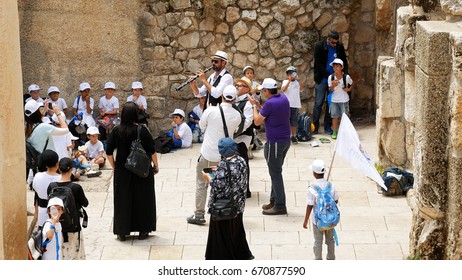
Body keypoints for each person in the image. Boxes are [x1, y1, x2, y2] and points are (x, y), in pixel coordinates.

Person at [187, 85, 242, 225]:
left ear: (222, 96)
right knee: (221, 185)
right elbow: (234, 131)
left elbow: (202, 127)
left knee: (201, 183)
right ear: (234, 98)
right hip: (223, 158)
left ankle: (199, 214)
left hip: (207, 154)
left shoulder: (211, 110)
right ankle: (220, 211)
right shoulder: (237, 116)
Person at [106, 102, 159, 241]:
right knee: (143, 199)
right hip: (141, 171)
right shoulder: (142, 130)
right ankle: (143, 230)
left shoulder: (116, 130)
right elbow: (152, 151)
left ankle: (122, 232)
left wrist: (115, 167)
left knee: (122, 200)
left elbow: (109, 152)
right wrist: (156, 166)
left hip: (123, 171)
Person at [204, 137, 253, 260]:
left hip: (223, 206)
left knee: (221, 233)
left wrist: (208, 178)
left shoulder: (223, 165)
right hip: (238, 204)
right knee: (236, 230)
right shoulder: (241, 161)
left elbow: (217, 186)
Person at [249, 78, 291, 215]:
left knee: (275, 174)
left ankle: (280, 205)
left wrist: (254, 106)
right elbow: (271, 114)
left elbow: (257, 121)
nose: (261, 92)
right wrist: (260, 106)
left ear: (267, 91)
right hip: (285, 141)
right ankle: (274, 200)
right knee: (276, 171)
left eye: (262, 90)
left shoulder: (270, 103)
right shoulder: (283, 99)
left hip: (275, 143)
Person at [48, 157, 89, 260]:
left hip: (56, 226)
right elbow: (85, 203)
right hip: (73, 227)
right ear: (71, 169)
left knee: (60, 255)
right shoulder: (76, 188)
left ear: (59, 169)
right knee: (75, 255)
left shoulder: (51, 187)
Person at [313, 30, 348, 135]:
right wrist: (329, 76)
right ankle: (314, 126)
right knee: (318, 103)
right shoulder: (319, 46)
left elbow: (344, 62)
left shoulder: (339, 47)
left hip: (335, 80)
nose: (334, 44)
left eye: (336, 42)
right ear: (328, 39)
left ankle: (328, 127)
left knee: (330, 103)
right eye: (333, 42)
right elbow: (318, 64)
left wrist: (343, 77)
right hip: (322, 79)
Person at [303, 159, 339, 260]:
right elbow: (335, 200)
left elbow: (310, 205)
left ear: (314, 173)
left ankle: (318, 259)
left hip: (317, 221)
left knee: (318, 242)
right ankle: (331, 258)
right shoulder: (330, 185)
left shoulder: (312, 188)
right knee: (330, 240)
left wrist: (306, 221)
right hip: (330, 220)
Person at [233, 76, 254, 198]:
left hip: (243, 136)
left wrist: (236, 131)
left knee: (243, 162)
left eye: (239, 86)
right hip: (234, 136)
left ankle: (245, 189)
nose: (237, 87)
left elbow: (248, 121)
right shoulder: (234, 100)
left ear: (246, 89)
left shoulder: (247, 102)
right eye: (236, 86)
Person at [32, 150, 61, 227]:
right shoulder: (61, 179)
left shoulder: (37, 177)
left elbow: (36, 196)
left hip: (42, 214)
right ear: (57, 163)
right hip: (58, 215)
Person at [328, 58, 353, 139]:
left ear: (342, 67)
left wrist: (349, 89)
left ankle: (346, 132)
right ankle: (335, 132)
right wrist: (333, 86)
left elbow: (351, 84)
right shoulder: (331, 77)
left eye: (337, 66)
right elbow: (329, 89)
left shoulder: (346, 77)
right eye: (334, 66)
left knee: (345, 117)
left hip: (344, 100)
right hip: (334, 100)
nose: (335, 68)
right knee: (334, 117)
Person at [281, 66, 302, 144]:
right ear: (287, 75)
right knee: (286, 121)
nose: (291, 75)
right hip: (286, 105)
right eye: (289, 74)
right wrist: (289, 81)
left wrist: (298, 80)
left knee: (294, 121)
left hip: (295, 105)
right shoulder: (285, 82)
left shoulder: (297, 82)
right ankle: (287, 135)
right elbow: (283, 89)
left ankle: (294, 136)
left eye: (292, 73)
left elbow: (302, 88)